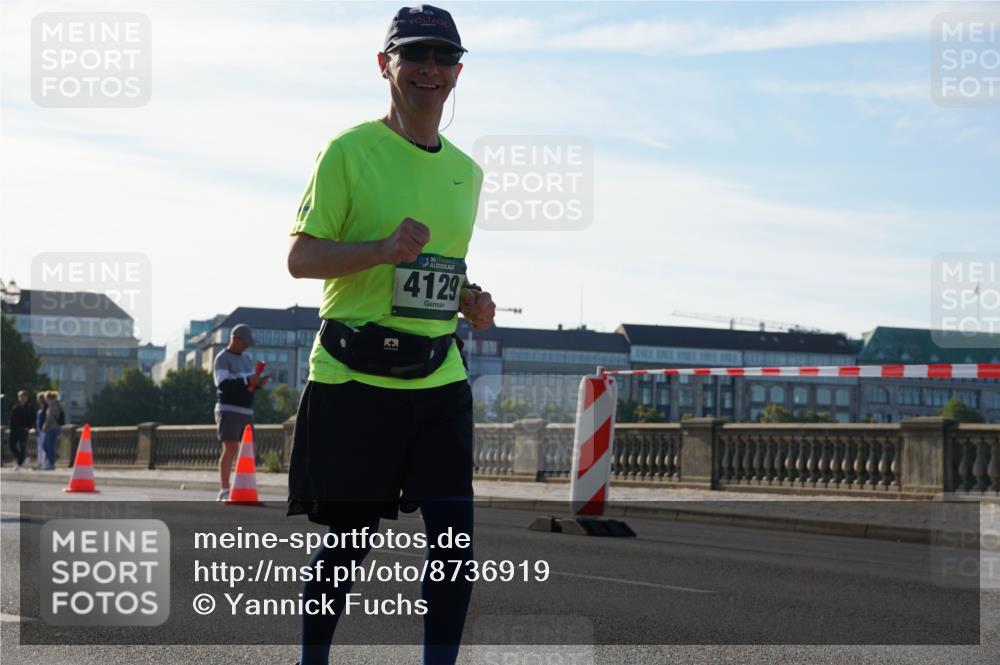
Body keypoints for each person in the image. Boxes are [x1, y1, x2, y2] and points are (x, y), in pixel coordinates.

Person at [285, 5, 496, 664]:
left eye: (442, 57)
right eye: (415, 55)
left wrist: (469, 299)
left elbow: (440, 268)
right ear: (386, 66)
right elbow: (301, 258)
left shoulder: (468, 172)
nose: (429, 69)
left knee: (455, 542)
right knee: (348, 543)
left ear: (458, 72)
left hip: (439, 377)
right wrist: (379, 248)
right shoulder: (348, 151)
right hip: (355, 378)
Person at [213, 323, 268, 501]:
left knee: (246, 450)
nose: (247, 346)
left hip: (246, 410)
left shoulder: (246, 359)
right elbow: (223, 385)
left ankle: (241, 486)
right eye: (245, 342)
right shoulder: (222, 358)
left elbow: (248, 385)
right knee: (230, 448)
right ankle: (224, 489)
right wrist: (247, 380)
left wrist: (258, 383)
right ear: (235, 339)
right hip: (228, 409)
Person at [8, 390, 33, 470]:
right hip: (14, 430)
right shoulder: (15, 407)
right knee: (11, 446)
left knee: (23, 447)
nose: (22, 399)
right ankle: (22, 458)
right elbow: (11, 419)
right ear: (18, 398)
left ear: (27, 398)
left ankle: (19, 463)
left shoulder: (29, 408)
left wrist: (29, 427)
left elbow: (32, 419)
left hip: (23, 430)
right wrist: (10, 428)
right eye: (21, 397)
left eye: (24, 397)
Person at [41, 391, 62, 471]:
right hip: (50, 428)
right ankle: (49, 461)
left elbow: (51, 418)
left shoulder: (54, 405)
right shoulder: (52, 405)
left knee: (50, 446)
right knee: (45, 445)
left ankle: (51, 463)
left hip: (52, 428)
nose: (45, 400)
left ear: (48, 398)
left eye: (46, 398)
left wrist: (45, 426)